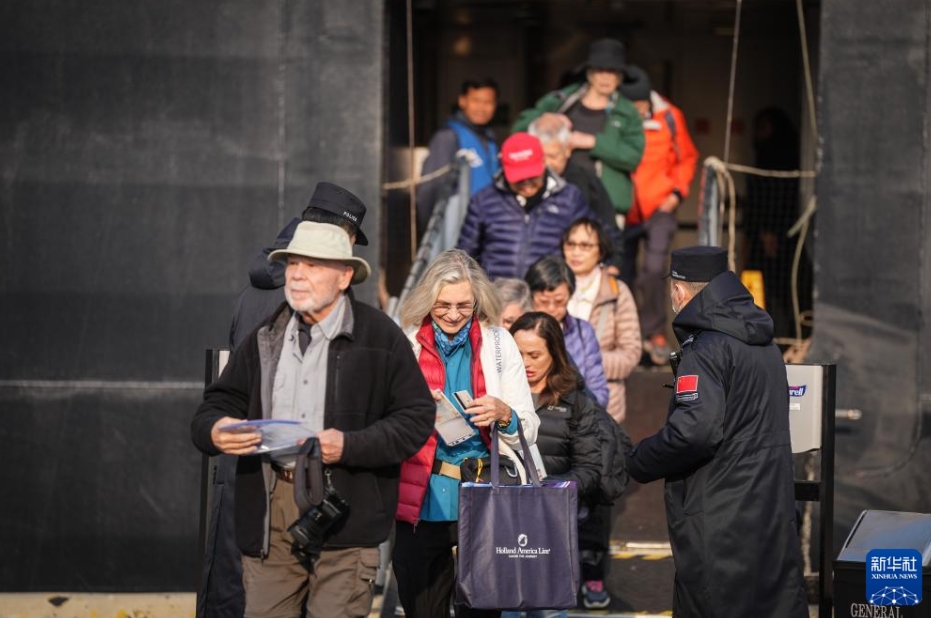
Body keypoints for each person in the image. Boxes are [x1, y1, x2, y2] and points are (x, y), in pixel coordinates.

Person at [191, 221, 435, 618]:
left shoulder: (381, 337)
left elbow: (416, 418)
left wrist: (351, 446)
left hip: (347, 514)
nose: (298, 274)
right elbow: (216, 405)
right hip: (273, 510)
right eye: (292, 263)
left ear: (344, 276)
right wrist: (215, 430)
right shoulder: (264, 335)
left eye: (313, 265)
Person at [200, 182, 371, 618]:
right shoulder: (306, 294)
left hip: (246, 460)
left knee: (234, 589)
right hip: (286, 468)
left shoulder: (255, 290)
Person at [626, 246, 808, 618]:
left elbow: (695, 432)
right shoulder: (766, 345)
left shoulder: (705, 349)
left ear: (679, 290)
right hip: (770, 511)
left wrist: (640, 460)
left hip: (720, 516)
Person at [393, 249, 539, 618]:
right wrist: (411, 409)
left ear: (478, 301)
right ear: (427, 300)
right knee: (421, 607)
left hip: (486, 493)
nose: (454, 314)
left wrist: (503, 414)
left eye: (464, 304)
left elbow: (529, 426)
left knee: (483, 610)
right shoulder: (405, 342)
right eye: (443, 305)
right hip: (423, 495)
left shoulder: (499, 343)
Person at [502, 311, 604, 618]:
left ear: (555, 354)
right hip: (502, 522)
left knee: (546, 610)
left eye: (535, 355)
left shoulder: (577, 402)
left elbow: (590, 469)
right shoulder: (498, 395)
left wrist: (550, 491)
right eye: (517, 354)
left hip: (549, 526)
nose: (525, 363)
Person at [512, 38, 645, 223]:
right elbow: (518, 130)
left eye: (612, 72)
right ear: (590, 73)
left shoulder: (628, 111)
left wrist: (593, 142)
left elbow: (633, 156)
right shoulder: (562, 100)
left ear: (620, 76)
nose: (606, 77)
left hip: (606, 202)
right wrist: (546, 120)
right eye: (600, 70)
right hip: (556, 197)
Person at [618, 66, 699, 366]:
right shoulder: (616, 117)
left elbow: (687, 157)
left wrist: (676, 194)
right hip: (624, 210)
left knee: (653, 269)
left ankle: (654, 333)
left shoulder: (668, 117)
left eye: (639, 106)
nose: (636, 111)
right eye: (630, 107)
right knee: (621, 274)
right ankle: (626, 334)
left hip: (659, 208)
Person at [229, 181, 370, 350]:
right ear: (337, 237)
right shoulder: (316, 298)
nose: (349, 252)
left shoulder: (250, 292)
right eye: (350, 243)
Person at [457, 132, 600, 280]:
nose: (526, 184)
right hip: (497, 295)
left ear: (543, 162)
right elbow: (465, 254)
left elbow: (597, 239)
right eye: (518, 179)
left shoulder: (569, 198)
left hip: (548, 296)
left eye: (532, 176)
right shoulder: (484, 201)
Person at [562, 217, 641, 423]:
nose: (576, 252)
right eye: (571, 244)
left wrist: (586, 360)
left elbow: (630, 355)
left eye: (585, 245)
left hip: (603, 407)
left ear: (601, 250)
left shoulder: (617, 292)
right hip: (556, 404)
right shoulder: (551, 288)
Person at [417, 79, 501, 236]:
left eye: (488, 102)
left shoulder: (491, 141)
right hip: (456, 231)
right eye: (476, 101)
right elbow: (429, 189)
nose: (482, 108)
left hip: (486, 231)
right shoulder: (448, 137)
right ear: (462, 101)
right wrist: (431, 233)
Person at [524, 255, 609, 409]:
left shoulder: (583, 331)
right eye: (543, 301)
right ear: (530, 295)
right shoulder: (518, 332)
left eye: (559, 301)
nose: (551, 308)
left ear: (570, 296)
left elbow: (599, 393)